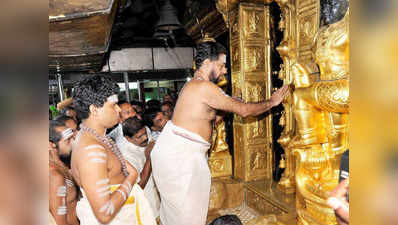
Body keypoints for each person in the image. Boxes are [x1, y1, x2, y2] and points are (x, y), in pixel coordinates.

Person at [151, 41, 289, 225]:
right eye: (222, 65)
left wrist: (229, 105)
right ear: (208, 62)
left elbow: (211, 119)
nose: (225, 71)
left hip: (179, 155)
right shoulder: (204, 87)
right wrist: (272, 102)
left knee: (184, 216)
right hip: (179, 158)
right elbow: (245, 111)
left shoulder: (195, 85)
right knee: (187, 218)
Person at [71, 75, 156, 225]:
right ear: (94, 109)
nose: (118, 109)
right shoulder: (91, 150)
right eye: (113, 105)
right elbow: (104, 213)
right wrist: (131, 177)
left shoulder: (99, 138)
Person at [119, 117, 160, 218]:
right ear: (128, 138)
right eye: (139, 136)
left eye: (145, 133)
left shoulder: (147, 137)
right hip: (147, 205)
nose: (145, 138)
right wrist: (149, 158)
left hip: (159, 197)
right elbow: (139, 185)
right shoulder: (126, 155)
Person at [49, 120, 79, 225]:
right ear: (51, 145)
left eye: (72, 138)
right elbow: (59, 221)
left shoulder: (62, 165)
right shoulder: (54, 176)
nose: (73, 142)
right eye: (68, 141)